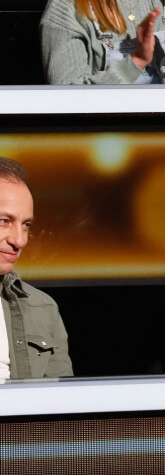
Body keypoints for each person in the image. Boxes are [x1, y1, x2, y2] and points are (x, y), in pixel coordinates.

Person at [0, 158, 73, 380]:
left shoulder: (42, 309)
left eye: (26, 225)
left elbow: (62, 406)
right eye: (4, 221)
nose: (19, 241)